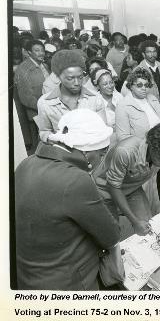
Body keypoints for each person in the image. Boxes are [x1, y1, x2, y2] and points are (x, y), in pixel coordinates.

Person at [15, 109, 120, 290]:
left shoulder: (27, 163)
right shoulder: (76, 179)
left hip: (27, 275)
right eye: (102, 153)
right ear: (86, 151)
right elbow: (111, 236)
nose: (102, 159)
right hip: (69, 281)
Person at [36, 50, 106, 143]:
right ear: (58, 76)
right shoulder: (45, 103)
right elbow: (44, 131)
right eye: (70, 78)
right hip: (62, 153)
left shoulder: (95, 98)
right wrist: (53, 139)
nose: (77, 83)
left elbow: (102, 128)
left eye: (80, 77)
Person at [14, 39, 50, 151]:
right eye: (37, 50)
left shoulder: (44, 66)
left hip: (49, 109)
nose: (41, 53)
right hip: (36, 113)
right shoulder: (23, 69)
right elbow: (26, 98)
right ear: (29, 52)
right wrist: (44, 107)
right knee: (41, 144)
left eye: (42, 50)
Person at [115, 67, 160, 141]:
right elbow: (123, 138)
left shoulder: (152, 99)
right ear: (131, 86)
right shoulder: (123, 106)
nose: (144, 88)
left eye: (146, 85)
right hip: (141, 148)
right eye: (139, 85)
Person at [135, 40, 160, 108]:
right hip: (148, 106)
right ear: (143, 54)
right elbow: (138, 92)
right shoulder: (139, 69)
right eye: (149, 52)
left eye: (154, 51)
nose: (152, 54)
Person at [91, 68, 123, 134]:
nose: (110, 86)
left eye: (111, 82)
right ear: (98, 86)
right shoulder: (95, 102)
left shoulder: (119, 96)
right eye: (105, 84)